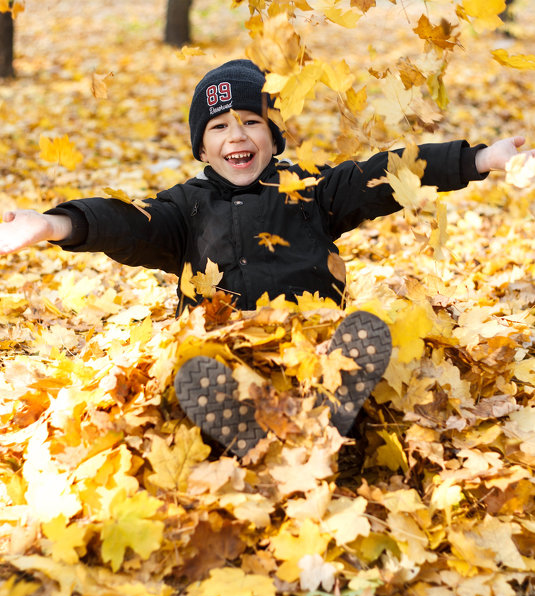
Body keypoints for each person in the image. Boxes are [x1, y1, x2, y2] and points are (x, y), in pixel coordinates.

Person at [0, 59, 531, 457]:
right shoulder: (184, 208)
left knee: (364, 333)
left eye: (251, 122)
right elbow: (128, 224)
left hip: (309, 354)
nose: (237, 135)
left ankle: (323, 434)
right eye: (219, 127)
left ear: (272, 135)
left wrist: (480, 158)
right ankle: (248, 444)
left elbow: (384, 174)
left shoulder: (314, 189)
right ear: (202, 148)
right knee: (197, 374)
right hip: (231, 359)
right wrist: (54, 224)